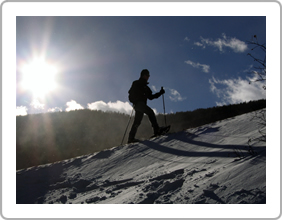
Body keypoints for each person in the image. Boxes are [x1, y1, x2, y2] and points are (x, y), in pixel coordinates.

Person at [127, 69, 166, 143]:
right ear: (143, 75)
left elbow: (151, 97)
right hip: (139, 104)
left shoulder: (146, 87)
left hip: (139, 105)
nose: (148, 77)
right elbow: (131, 93)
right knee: (150, 112)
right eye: (147, 75)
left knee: (137, 121)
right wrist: (135, 100)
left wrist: (160, 93)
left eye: (148, 76)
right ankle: (156, 130)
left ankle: (131, 138)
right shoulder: (137, 83)